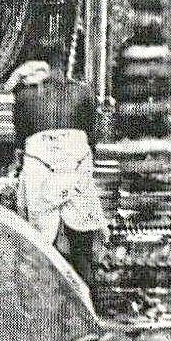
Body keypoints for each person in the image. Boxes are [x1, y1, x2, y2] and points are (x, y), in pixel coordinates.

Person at [11, 43, 108, 286]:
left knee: (40, 247)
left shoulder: (24, 95)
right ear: (67, 64)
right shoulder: (84, 92)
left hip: (41, 167)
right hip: (73, 164)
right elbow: (92, 135)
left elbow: (20, 139)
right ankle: (86, 302)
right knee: (81, 246)